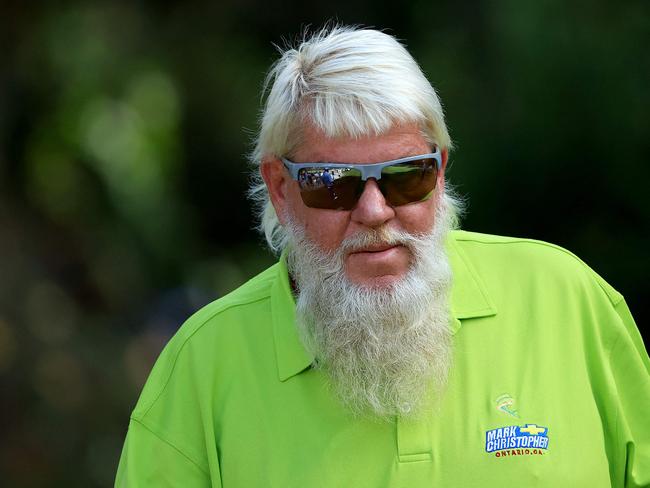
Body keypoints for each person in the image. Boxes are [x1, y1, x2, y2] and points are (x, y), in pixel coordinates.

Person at [115, 26, 649, 487]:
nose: (374, 211)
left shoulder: (565, 299)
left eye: (406, 176)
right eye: (333, 184)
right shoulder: (202, 367)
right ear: (280, 187)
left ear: (439, 172)